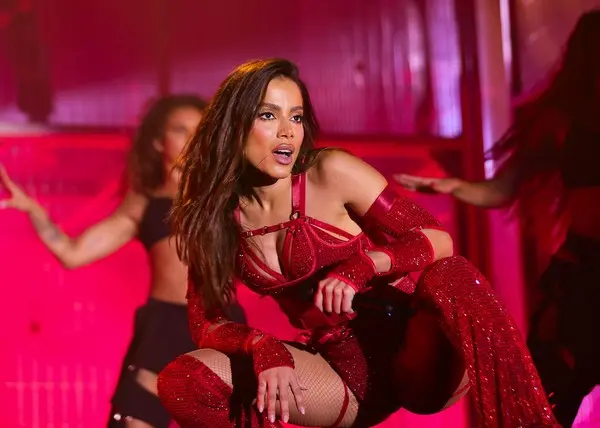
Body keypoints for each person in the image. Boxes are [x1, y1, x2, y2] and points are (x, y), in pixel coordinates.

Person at [157, 58, 557, 428]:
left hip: (419, 350)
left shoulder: (330, 171)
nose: (287, 131)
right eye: (268, 115)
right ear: (233, 124)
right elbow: (205, 322)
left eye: (296, 117)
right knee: (184, 380)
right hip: (343, 374)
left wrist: (364, 265)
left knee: (452, 275)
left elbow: (437, 239)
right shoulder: (213, 218)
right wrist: (261, 346)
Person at [396, 10, 600, 426]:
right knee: (561, 382)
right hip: (583, 271)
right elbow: (500, 190)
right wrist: (455, 186)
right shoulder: (563, 123)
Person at [0, 95, 245, 428]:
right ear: (158, 142)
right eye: (180, 129)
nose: (192, 139)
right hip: (164, 325)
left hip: (219, 324)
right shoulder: (143, 202)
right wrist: (36, 213)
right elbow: (72, 254)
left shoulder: (230, 195)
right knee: (134, 418)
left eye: (199, 130)